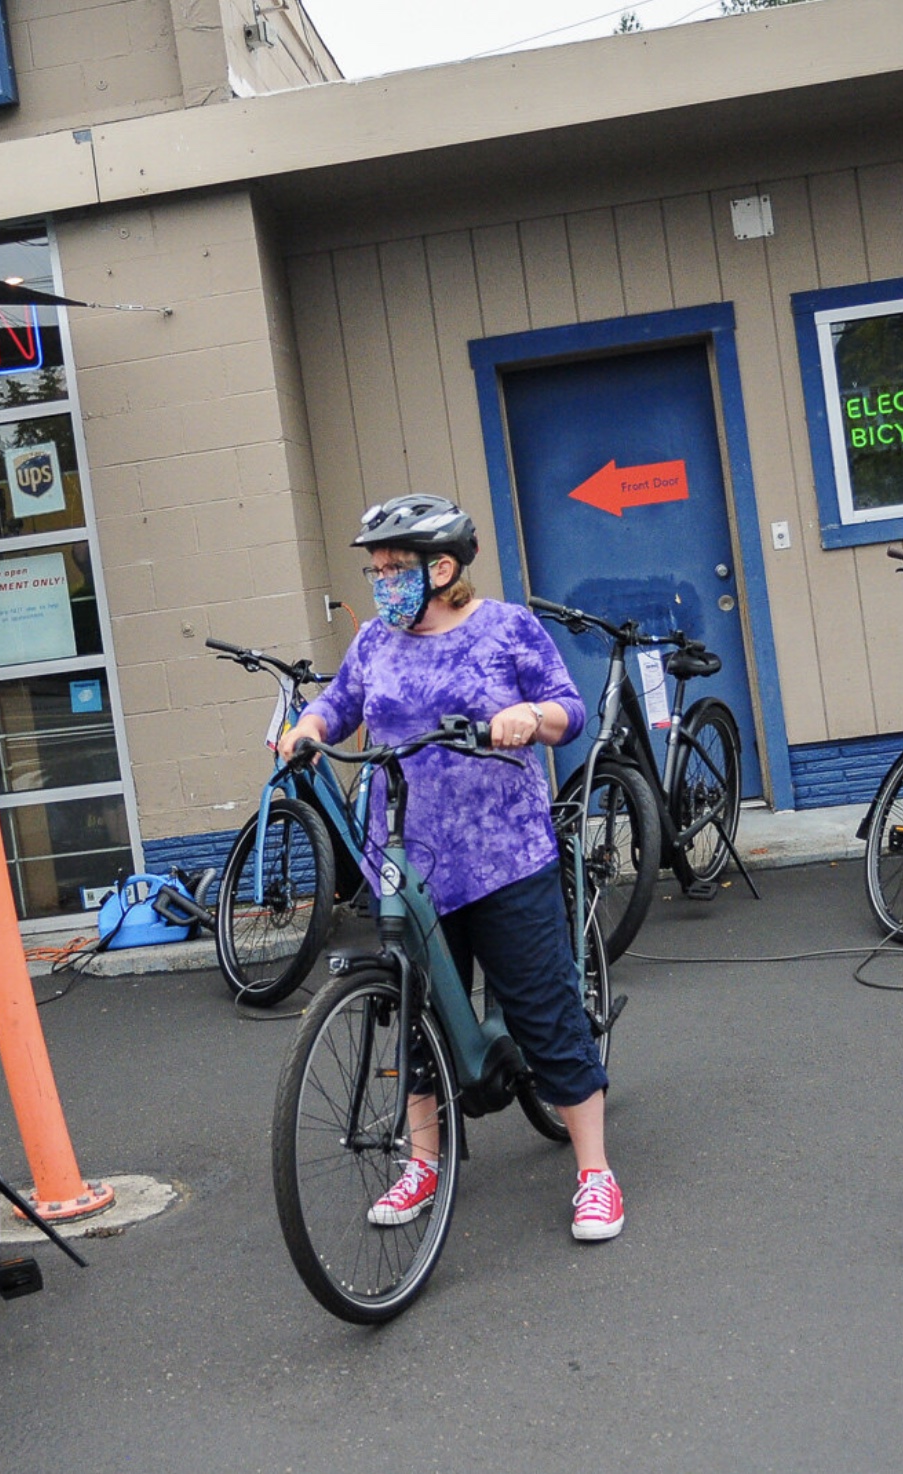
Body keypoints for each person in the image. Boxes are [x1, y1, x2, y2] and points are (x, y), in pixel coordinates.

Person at [278, 493, 624, 1242]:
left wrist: (530, 718)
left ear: (441, 567)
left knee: (545, 1010)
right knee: (410, 1016)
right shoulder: (374, 642)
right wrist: (307, 728)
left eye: (393, 569)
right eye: (374, 571)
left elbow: (569, 708)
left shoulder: (504, 628)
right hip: (405, 861)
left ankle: (594, 1172)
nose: (381, 583)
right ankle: (422, 1165)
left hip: (503, 855)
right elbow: (338, 704)